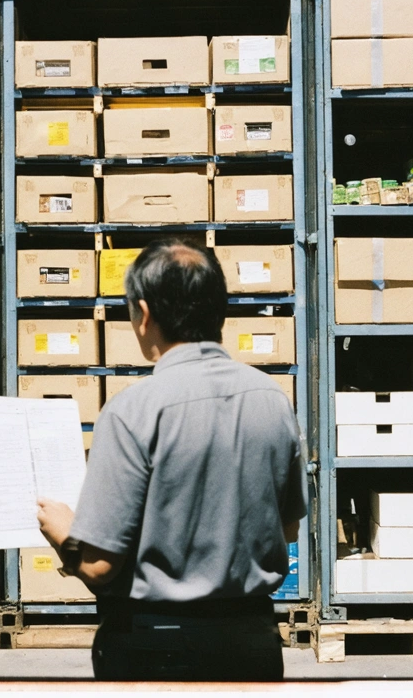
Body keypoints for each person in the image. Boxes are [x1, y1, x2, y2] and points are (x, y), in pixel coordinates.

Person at [36, 238, 307, 682]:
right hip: (251, 642)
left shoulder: (131, 412)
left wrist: (62, 529)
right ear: (219, 309)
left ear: (143, 315)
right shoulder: (272, 399)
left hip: (155, 647)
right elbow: (289, 528)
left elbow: (99, 566)